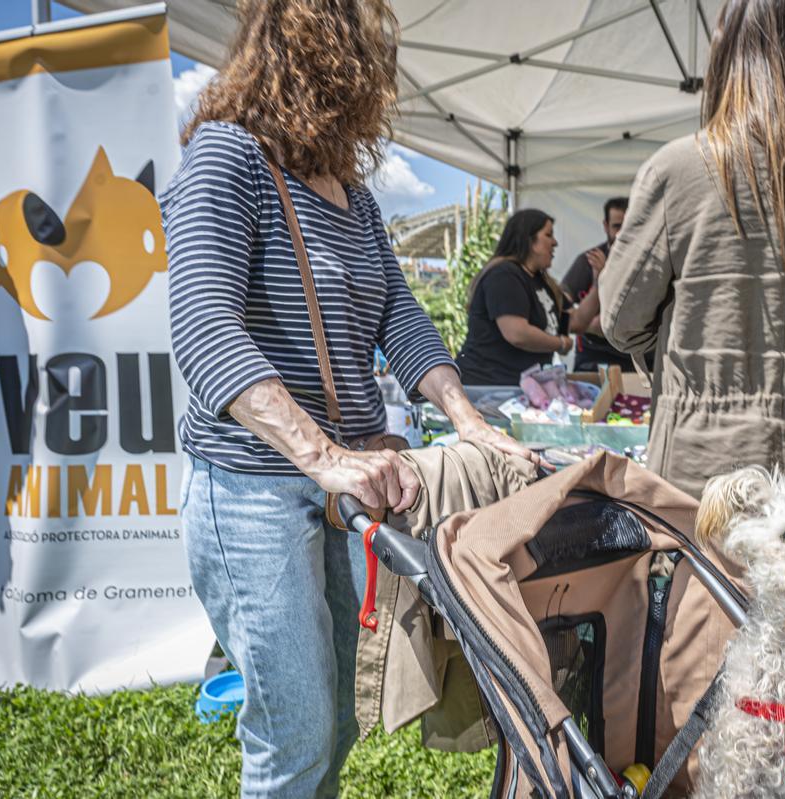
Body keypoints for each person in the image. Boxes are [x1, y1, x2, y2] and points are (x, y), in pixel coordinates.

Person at [162, 2, 535, 796]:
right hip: (253, 490)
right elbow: (201, 321)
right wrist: (323, 456)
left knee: (337, 717)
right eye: (370, 57)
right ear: (321, 57)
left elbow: (400, 316)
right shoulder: (228, 157)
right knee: (294, 731)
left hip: (341, 494)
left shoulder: (353, 197)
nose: (381, 79)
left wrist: (472, 425)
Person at [599, 0, 785, 499]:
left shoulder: (678, 170)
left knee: (707, 581)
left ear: (727, 48)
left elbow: (619, 320)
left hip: (707, 469)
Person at [455, 209, 599, 385]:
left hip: (518, 391)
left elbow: (577, 322)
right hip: (488, 388)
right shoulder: (505, 275)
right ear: (530, 240)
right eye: (548, 235)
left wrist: (599, 284)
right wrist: (559, 343)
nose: (555, 243)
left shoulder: (543, 283)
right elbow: (517, 333)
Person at [560, 197, 638, 373]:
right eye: (617, 226)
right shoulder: (588, 261)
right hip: (594, 356)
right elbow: (558, 311)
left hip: (640, 358)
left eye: (628, 227)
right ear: (605, 226)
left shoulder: (652, 262)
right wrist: (586, 324)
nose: (621, 234)